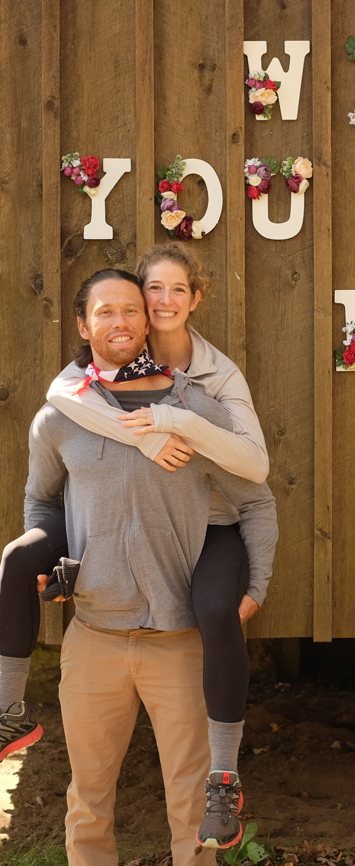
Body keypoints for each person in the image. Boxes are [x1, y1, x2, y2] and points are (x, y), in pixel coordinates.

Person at [0, 261, 277, 857]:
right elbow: (41, 499)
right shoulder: (59, 417)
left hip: (178, 641)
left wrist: (257, 581)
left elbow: (254, 499)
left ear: (148, 322)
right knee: (88, 803)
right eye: (105, 310)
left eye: (131, 308)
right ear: (82, 323)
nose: (120, 320)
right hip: (94, 638)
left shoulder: (196, 408)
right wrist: (54, 554)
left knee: (191, 814)